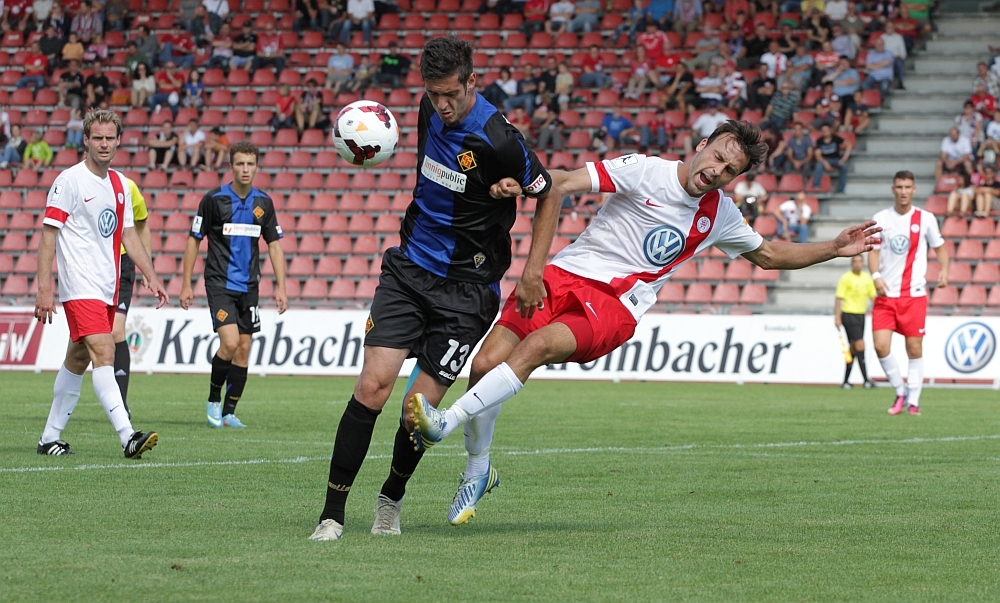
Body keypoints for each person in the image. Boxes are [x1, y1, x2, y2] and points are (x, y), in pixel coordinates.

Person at [408, 121, 880, 525]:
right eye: (717, 157)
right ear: (701, 147)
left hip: (614, 303)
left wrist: (833, 249)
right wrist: (524, 183)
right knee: (484, 365)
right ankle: (478, 470)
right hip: (562, 276)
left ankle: (444, 423)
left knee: (537, 348)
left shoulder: (719, 214)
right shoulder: (645, 170)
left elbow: (770, 255)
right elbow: (566, 181)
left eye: (730, 170)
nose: (717, 171)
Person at [309, 36, 562, 542]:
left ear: (472, 82)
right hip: (409, 271)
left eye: (451, 93)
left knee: (415, 414)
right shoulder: (428, 110)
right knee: (372, 386)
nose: (442, 105)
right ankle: (331, 515)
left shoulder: (499, 140)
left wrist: (533, 271)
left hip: (467, 292)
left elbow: (548, 192)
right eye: (433, 93)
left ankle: (391, 499)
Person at [34, 109, 167, 458]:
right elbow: (48, 236)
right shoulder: (69, 181)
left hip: (107, 285)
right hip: (80, 286)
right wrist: (45, 289)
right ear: (86, 141)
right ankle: (128, 436)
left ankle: (49, 438)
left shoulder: (121, 184)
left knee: (78, 358)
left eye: (110, 138)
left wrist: (150, 274)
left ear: (119, 140)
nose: (104, 144)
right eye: (98, 138)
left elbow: (128, 234)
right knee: (105, 351)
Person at [179, 140, 288, 430]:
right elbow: (193, 240)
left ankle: (229, 413)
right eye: (240, 164)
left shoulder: (264, 203)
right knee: (229, 342)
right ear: (231, 166)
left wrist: (281, 287)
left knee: (243, 349)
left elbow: (274, 245)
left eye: (250, 164)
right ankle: (213, 399)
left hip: (249, 286)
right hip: (219, 283)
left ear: (257, 167)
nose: (245, 169)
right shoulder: (214, 200)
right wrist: (186, 284)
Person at [869, 171, 948, 416]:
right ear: (893, 189)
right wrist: (876, 276)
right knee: (880, 347)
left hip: (913, 296)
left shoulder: (926, 218)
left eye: (907, 187)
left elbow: (940, 247)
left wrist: (944, 270)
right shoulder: (881, 218)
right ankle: (900, 391)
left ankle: (913, 400)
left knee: (914, 349)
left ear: (914, 190)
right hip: (885, 295)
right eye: (900, 187)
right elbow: (873, 252)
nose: (903, 191)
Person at [111, 175, 153, 414]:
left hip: (122, 263)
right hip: (92, 263)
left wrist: (147, 266)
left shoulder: (128, 186)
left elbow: (142, 224)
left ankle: (120, 405)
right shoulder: (78, 183)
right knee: (83, 344)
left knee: (116, 331)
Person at [835, 254, 876, 389]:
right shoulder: (846, 278)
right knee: (860, 345)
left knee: (853, 348)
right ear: (852, 263)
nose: (858, 264)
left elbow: (873, 297)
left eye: (860, 261)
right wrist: (837, 317)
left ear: (863, 263)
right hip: (849, 314)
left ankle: (846, 381)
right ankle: (866, 380)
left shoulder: (867, 278)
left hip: (861, 315)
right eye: (855, 261)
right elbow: (839, 298)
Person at [812, 123, 852, 193]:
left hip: (835, 159)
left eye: (827, 130)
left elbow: (849, 144)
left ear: (830, 130)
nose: (825, 131)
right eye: (823, 130)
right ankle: (816, 187)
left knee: (844, 166)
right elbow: (818, 155)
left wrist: (844, 158)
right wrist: (825, 163)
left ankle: (841, 189)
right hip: (824, 160)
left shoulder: (835, 138)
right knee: (818, 165)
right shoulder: (819, 141)